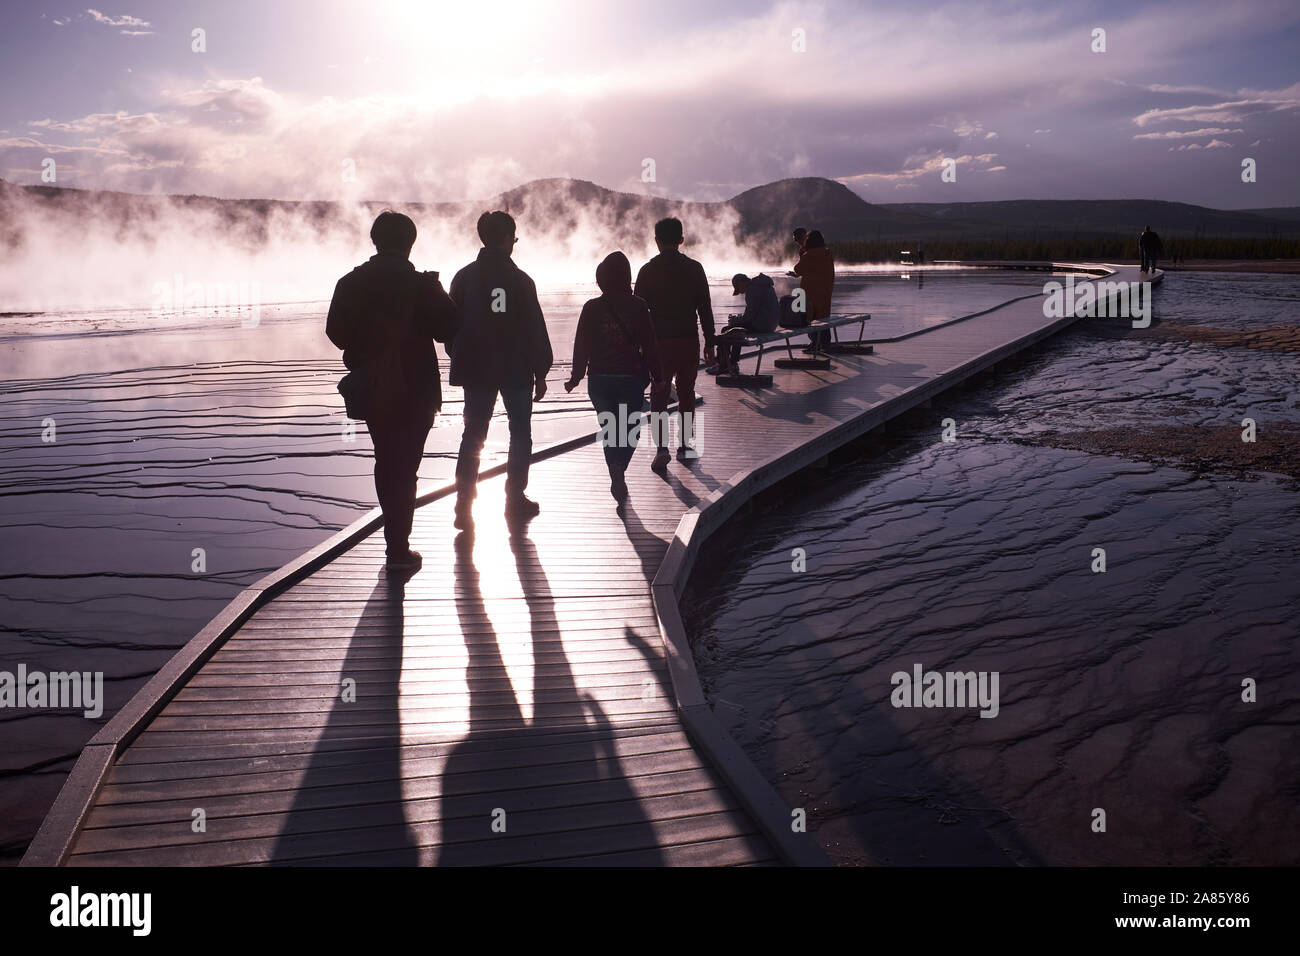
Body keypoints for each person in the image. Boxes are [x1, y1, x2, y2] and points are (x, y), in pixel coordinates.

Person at [326, 210, 458, 574]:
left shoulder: (351, 283)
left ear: (375, 241)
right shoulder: (422, 285)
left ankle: (395, 545)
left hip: (375, 387)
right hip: (418, 389)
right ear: (410, 243)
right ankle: (399, 545)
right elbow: (450, 329)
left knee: (385, 461)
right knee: (407, 466)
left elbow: (335, 333)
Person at [448, 210, 553, 530]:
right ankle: (514, 499)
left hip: (477, 370)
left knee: (473, 435)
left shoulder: (463, 278)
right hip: (516, 370)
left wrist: (461, 356)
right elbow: (535, 328)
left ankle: (464, 503)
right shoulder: (520, 281)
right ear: (507, 239)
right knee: (520, 433)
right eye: (514, 238)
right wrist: (541, 371)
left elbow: (450, 327)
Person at [564, 252, 663, 502]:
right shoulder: (639, 305)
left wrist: (576, 376)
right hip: (630, 377)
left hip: (599, 379)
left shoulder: (591, 307)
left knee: (610, 429)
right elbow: (650, 344)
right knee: (630, 429)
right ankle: (619, 469)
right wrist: (658, 375)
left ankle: (616, 473)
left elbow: (581, 345)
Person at [634, 217, 715, 470]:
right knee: (686, 392)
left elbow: (638, 312)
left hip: (659, 344)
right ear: (681, 239)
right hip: (688, 340)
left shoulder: (647, 271)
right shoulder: (695, 268)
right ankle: (686, 445)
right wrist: (710, 342)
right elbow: (705, 308)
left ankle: (661, 449)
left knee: (658, 393)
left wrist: (638, 346)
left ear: (656, 240)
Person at [709, 272, 779, 375]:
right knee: (737, 331)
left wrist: (735, 321)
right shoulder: (763, 286)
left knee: (728, 331)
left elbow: (750, 316)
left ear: (742, 283)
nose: (741, 293)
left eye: (738, 289)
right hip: (771, 324)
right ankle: (732, 363)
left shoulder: (752, 290)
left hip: (762, 325)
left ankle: (723, 364)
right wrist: (739, 320)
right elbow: (754, 313)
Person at [792, 230, 835, 351]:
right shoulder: (827, 254)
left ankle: (815, 343)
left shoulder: (808, 255)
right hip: (825, 291)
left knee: (809, 318)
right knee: (824, 318)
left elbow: (798, 269)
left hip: (810, 293)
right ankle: (825, 344)